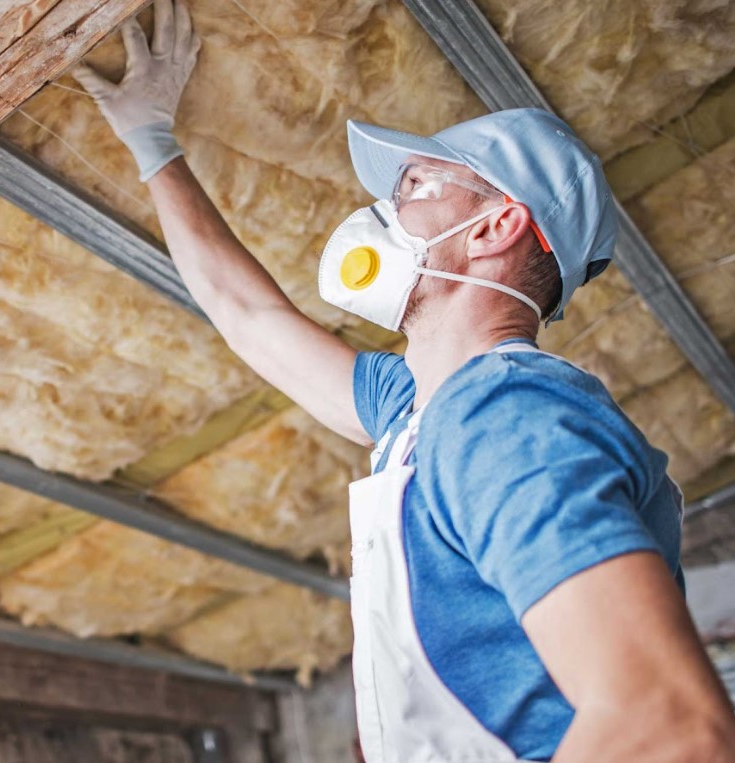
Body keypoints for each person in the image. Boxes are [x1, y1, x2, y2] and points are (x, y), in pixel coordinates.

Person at [72, 1, 735, 761]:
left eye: (417, 186)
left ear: (495, 228)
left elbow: (669, 724)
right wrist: (152, 143)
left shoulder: (504, 416)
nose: (383, 209)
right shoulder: (418, 415)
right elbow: (248, 316)